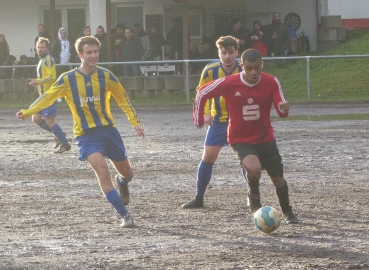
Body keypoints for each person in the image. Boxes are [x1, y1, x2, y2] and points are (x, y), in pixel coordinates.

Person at [16, 36, 145, 228]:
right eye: (89, 52)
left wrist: (135, 123)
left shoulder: (107, 76)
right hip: (86, 135)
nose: (93, 56)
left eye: (96, 52)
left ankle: (123, 182)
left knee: (128, 173)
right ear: (80, 55)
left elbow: (123, 99)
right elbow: (47, 96)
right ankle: (125, 215)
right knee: (102, 171)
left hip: (108, 131)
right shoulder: (67, 79)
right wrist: (28, 112)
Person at [192, 49, 299, 224]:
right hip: (240, 138)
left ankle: (287, 211)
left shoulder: (271, 81)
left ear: (262, 65)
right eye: (249, 68)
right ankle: (254, 198)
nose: (253, 72)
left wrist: (283, 108)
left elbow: (281, 108)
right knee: (254, 168)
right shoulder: (230, 82)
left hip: (265, 138)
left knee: (278, 180)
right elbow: (202, 92)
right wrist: (198, 118)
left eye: (257, 68)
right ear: (242, 66)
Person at [182, 36, 245, 209]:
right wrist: (205, 113)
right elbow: (201, 92)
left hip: (240, 122)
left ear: (236, 53)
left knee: (247, 159)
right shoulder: (210, 70)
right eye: (223, 53)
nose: (227, 57)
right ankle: (199, 198)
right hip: (218, 120)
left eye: (231, 53)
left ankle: (253, 197)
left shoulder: (243, 68)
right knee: (208, 157)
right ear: (219, 53)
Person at [28, 37, 70, 153]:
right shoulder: (42, 60)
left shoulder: (49, 59)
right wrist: (38, 83)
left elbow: (52, 77)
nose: (40, 49)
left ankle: (65, 144)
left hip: (49, 96)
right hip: (43, 96)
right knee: (36, 119)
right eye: (38, 47)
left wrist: (38, 81)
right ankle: (59, 134)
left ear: (47, 48)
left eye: (42, 47)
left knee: (49, 120)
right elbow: (45, 78)